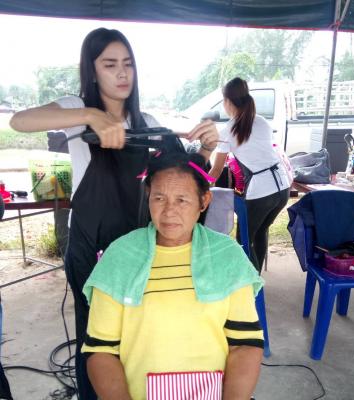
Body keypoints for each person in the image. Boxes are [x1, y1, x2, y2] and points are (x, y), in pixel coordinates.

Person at [9, 27, 218, 399]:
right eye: (110, 65)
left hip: (139, 246)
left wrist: (205, 151)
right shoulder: (76, 110)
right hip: (90, 245)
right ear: (92, 71)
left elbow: (185, 177)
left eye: (127, 64)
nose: (122, 73)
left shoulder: (147, 123)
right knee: (96, 340)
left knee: (136, 332)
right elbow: (19, 122)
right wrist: (92, 115)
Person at [81, 151, 264, 400]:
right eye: (159, 198)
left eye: (182, 200)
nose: (169, 211)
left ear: (204, 201)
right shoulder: (121, 257)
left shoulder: (226, 256)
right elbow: (100, 350)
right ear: (148, 196)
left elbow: (245, 344)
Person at [209, 77, 290, 272]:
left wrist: (201, 185)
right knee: (259, 232)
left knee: (244, 239)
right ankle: (257, 279)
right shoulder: (261, 122)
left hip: (262, 191)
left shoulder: (228, 130)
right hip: (283, 187)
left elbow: (217, 170)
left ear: (228, 102)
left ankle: (253, 283)